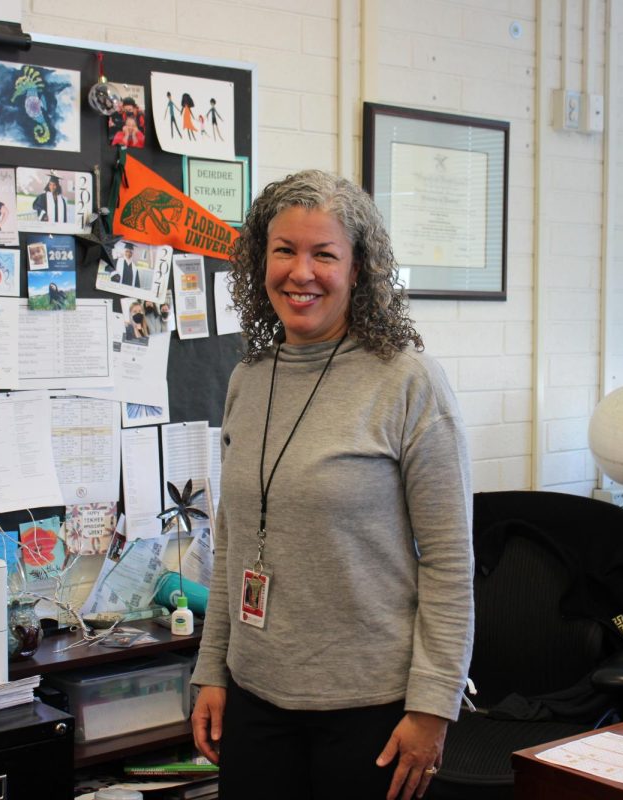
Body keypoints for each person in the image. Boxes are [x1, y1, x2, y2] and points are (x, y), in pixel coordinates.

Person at [189, 170, 474, 800]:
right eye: (284, 250)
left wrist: (433, 706)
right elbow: (232, 543)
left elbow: (450, 563)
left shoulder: (407, 381)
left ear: (359, 268)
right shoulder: (249, 376)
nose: (301, 272)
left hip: (372, 709)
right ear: (259, 261)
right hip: (256, 696)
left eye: (325, 254)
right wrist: (213, 670)